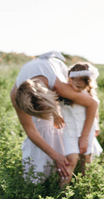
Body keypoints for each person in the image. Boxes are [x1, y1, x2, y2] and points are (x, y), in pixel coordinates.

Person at [10, 51, 98, 184]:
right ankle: (44, 178)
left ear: (52, 95)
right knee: (42, 128)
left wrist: (85, 136)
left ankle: (75, 166)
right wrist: (55, 155)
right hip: (40, 84)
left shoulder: (59, 86)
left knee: (63, 125)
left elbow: (92, 103)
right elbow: (31, 131)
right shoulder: (16, 96)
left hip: (53, 74)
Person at [59, 62, 102, 186]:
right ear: (69, 79)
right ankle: (62, 190)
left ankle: (85, 187)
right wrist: (56, 115)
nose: (77, 88)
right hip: (70, 131)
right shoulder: (64, 94)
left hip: (86, 130)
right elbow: (53, 104)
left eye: (81, 85)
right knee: (71, 159)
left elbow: (94, 111)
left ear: (88, 84)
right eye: (75, 84)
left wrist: (97, 125)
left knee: (86, 159)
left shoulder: (88, 95)